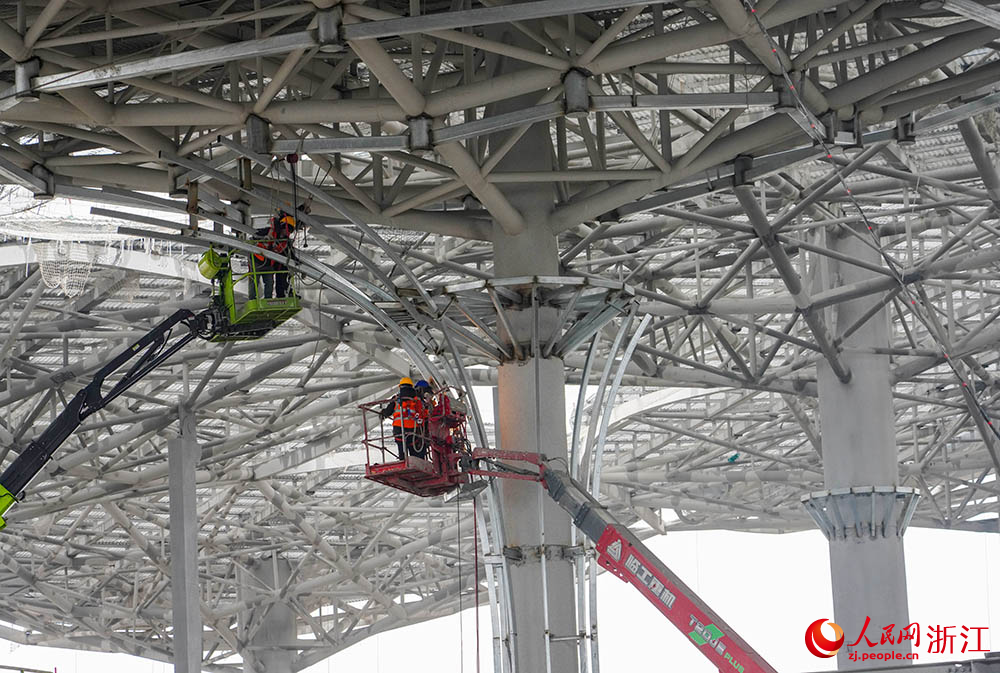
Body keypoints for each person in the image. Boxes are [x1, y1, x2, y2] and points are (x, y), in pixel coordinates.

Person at [380, 377, 427, 459]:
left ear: (400, 387)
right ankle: (416, 461)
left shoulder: (396, 399)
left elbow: (387, 412)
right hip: (413, 429)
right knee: (415, 452)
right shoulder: (416, 399)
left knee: (402, 451)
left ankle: (403, 460)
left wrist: (382, 413)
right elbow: (422, 413)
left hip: (399, 429)